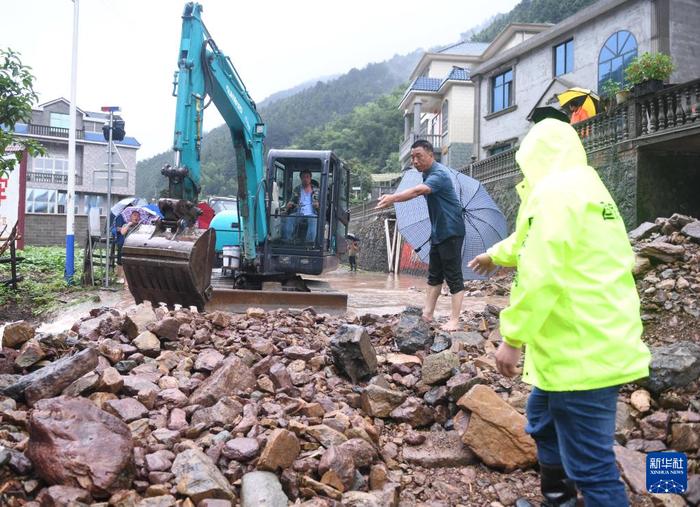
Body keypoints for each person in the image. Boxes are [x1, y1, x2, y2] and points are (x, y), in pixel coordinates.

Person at [468, 118, 650, 507]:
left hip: (578, 354)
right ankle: (558, 499)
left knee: (592, 467)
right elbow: (533, 238)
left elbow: (541, 272)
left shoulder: (552, 194)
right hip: (595, 342)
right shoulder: (586, 186)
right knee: (542, 419)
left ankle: (575, 496)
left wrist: (512, 338)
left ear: (533, 157)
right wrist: (495, 254)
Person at [376, 139, 466, 332]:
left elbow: (418, 191)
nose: (415, 161)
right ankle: (427, 313)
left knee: (453, 276)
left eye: (419, 156)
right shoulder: (426, 174)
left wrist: (393, 198)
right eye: (413, 157)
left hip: (450, 231)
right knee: (434, 275)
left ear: (431, 155)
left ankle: (455, 320)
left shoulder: (439, 174)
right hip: (438, 231)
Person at [283, 169, 319, 243]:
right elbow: (292, 200)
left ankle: (309, 243)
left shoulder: (317, 190)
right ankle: (287, 240)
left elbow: (324, 203)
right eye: (303, 177)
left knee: (314, 220)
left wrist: (318, 205)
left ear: (310, 178)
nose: (305, 179)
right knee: (290, 218)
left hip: (312, 213)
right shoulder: (297, 189)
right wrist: (289, 204)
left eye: (307, 177)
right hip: (299, 212)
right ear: (301, 178)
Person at [113, 210, 141, 283]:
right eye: (134, 215)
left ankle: (131, 279)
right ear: (130, 217)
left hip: (136, 246)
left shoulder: (140, 226)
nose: (136, 217)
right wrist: (129, 224)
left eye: (138, 216)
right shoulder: (126, 225)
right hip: (126, 245)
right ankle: (120, 278)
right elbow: (122, 232)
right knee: (121, 261)